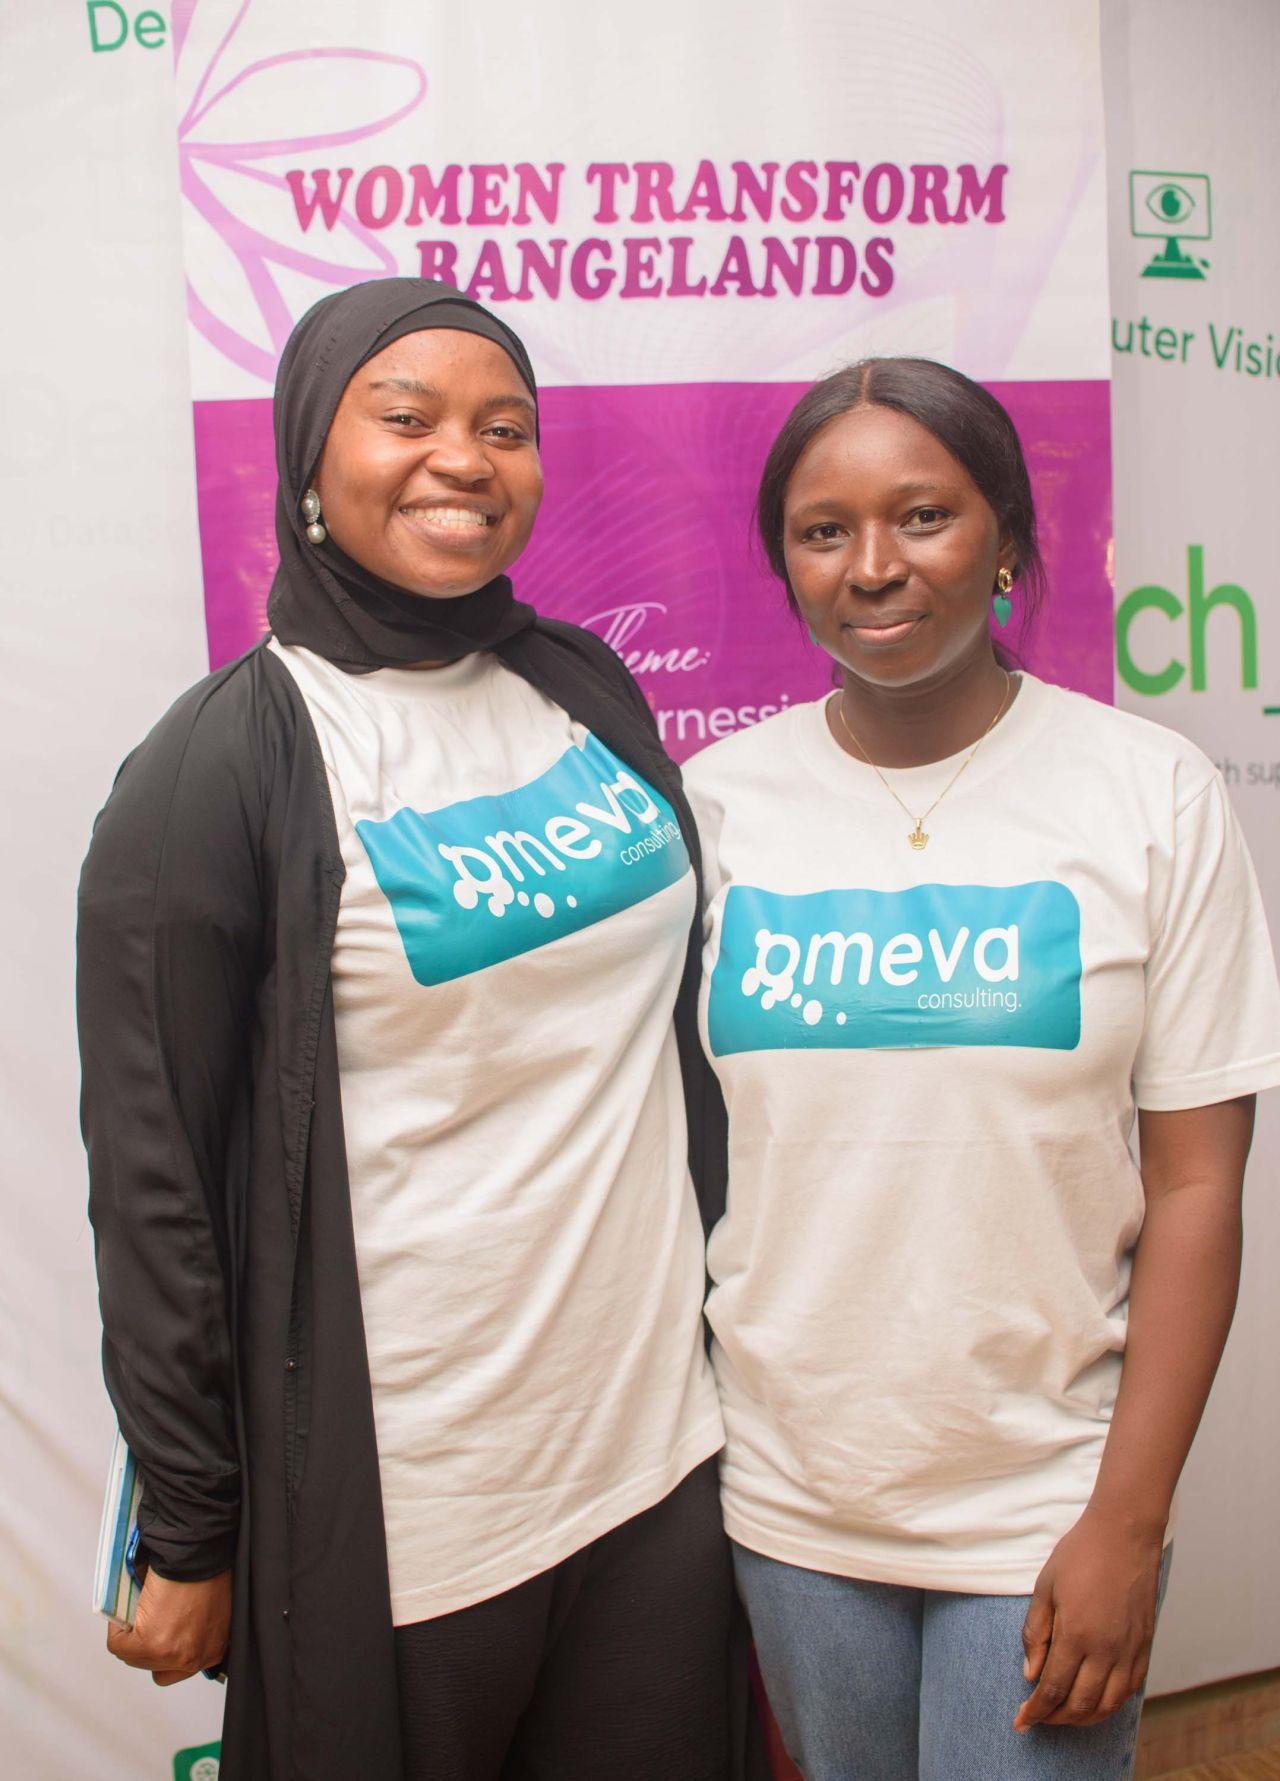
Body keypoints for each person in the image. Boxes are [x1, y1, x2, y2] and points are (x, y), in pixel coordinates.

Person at [77, 277, 740, 1781]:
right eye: (408, 417)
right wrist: (191, 1520)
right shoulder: (221, 767)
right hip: (416, 1518)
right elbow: (155, 1180)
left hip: (659, 1457)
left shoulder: (579, 683)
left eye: (506, 427)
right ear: (311, 455)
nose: (466, 458)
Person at [683, 357, 1280, 1780]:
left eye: (923, 516)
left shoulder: (1149, 792)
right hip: (791, 1493)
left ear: (1006, 535)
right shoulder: (714, 805)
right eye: (824, 530)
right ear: (785, 562)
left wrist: (1127, 1518)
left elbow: (1199, 1187)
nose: (873, 567)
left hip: (1049, 1497)